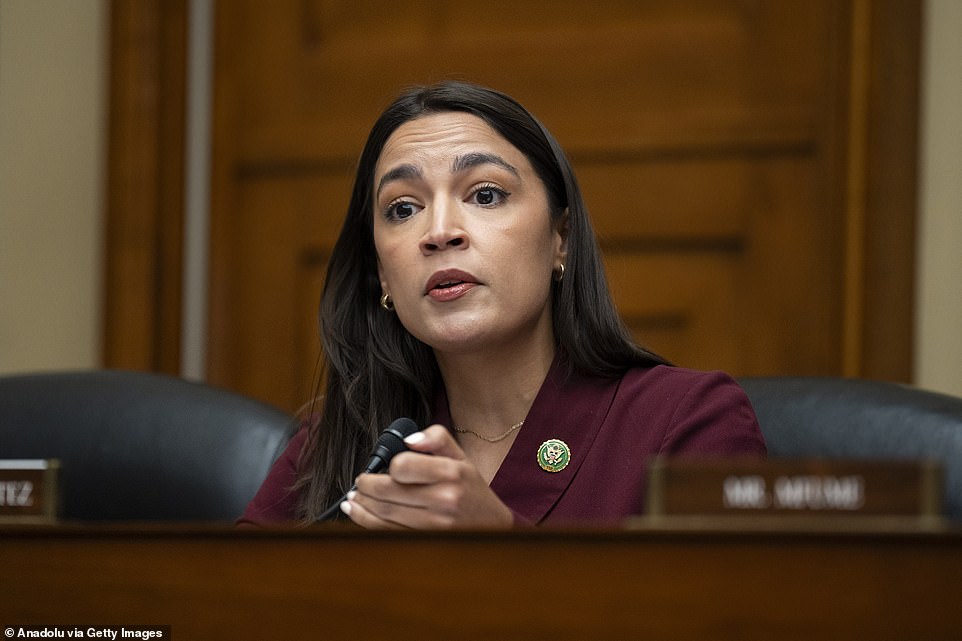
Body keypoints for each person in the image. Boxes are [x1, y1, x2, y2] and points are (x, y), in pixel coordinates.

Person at [239, 81, 766, 528]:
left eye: (485, 195)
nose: (439, 232)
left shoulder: (688, 421)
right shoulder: (342, 439)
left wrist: (498, 549)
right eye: (403, 208)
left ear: (561, 238)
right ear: (382, 272)